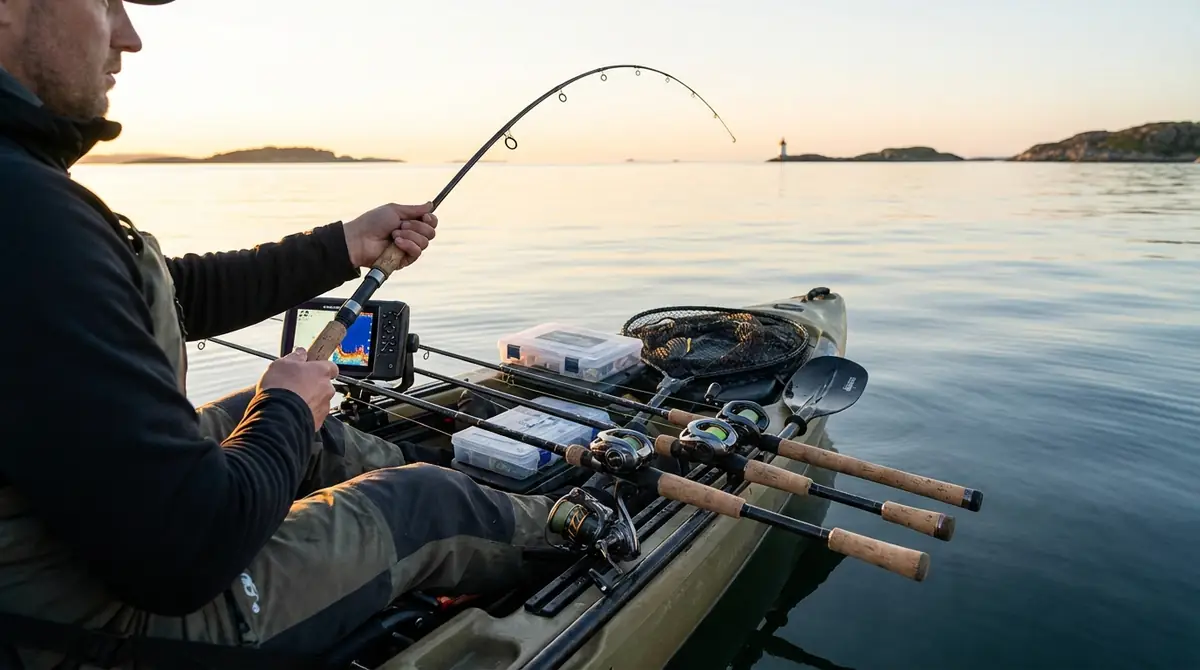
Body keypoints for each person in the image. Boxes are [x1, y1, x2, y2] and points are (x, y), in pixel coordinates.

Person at [0, 0, 558, 667]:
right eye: (103, 2)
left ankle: (496, 505)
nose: (130, 36)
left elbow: (162, 294)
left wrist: (341, 245)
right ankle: (577, 534)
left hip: (62, 545)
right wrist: (288, 409)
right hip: (81, 629)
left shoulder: (25, 190)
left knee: (296, 426)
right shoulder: (24, 214)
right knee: (430, 507)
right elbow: (183, 552)